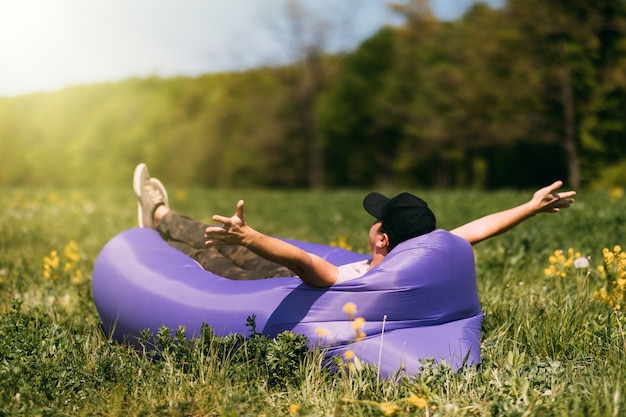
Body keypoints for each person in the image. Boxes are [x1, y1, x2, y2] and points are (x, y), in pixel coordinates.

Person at [133, 163, 576, 287]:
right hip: (286, 272)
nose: (372, 220)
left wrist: (250, 236)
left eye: (376, 218)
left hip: (275, 281)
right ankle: (162, 216)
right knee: (227, 246)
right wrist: (529, 206)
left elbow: (305, 263)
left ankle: (158, 221)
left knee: (213, 256)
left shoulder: (358, 280)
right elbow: (481, 228)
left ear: (382, 238)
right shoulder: (421, 258)